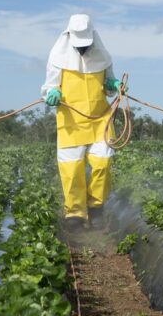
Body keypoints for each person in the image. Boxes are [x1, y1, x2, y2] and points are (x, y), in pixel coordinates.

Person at [41, 14, 123, 229]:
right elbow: (50, 86)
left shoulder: (103, 57)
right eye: (79, 46)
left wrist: (114, 84)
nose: (82, 50)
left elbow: (108, 84)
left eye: (85, 46)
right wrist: (52, 94)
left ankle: (96, 206)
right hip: (71, 121)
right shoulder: (57, 57)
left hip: (100, 119)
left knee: (103, 163)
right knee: (72, 169)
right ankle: (75, 213)